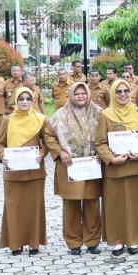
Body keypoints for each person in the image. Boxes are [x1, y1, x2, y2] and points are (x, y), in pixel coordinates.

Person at [44, 82, 103, 255]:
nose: (80, 97)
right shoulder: (60, 115)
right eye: (76, 94)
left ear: (88, 94)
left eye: (83, 93)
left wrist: (103, 153)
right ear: (71, 95)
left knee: (92, 204)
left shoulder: (99, 113)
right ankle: (73, 243)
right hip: (69, 165)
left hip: (92, 165)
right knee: (71, 205)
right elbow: (48, 136)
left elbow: (105, 135)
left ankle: (92, 241)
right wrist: (60, 152)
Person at [95, 79, 138, 256]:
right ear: (112, 93)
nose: (123, 94)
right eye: (118, 91)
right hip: (114, 168)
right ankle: (117, 240)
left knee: (135, 203)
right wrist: (111, 159)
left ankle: (134, 239)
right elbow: (100, 143)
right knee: (114, 204)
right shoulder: (106, 114)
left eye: (126, 91)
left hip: (135, 166)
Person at [0, 87, 47, 255]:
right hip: (13, 172)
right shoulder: (8, 120)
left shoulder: (40, 119)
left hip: (35, 172)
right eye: (21, 99)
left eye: (28, 98)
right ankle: (15, 243)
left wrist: (41, 153)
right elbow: (0, 143)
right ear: (16, 101)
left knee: (34, 207)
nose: (25, 101)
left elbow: (47, 141)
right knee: (14, 207)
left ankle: (34, 243)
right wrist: (2, 155)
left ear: (32, 100)